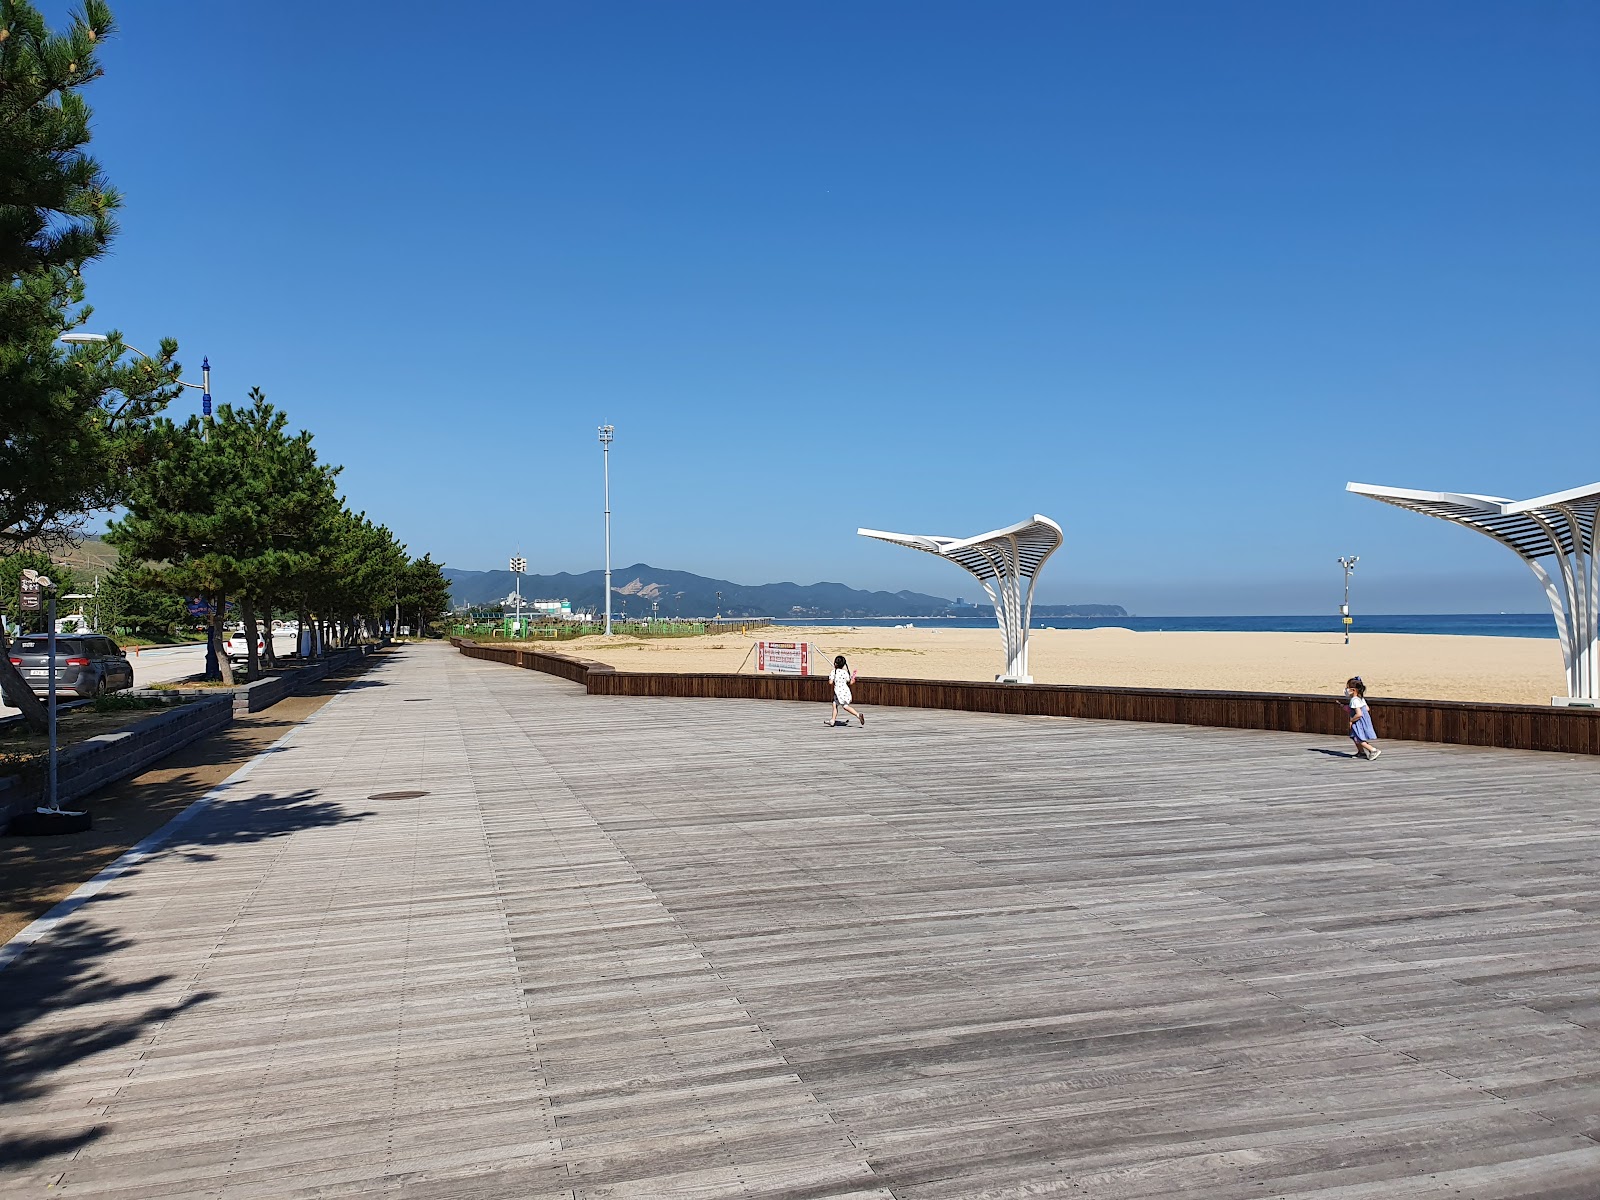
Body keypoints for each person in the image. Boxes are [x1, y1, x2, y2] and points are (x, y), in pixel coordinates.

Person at [1345, 676, 1381, 760]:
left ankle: (1373, 750)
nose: (1346, 690)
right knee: (1354, 736)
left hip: (1358, 722)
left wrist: (1351, 720)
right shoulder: (1360, 698)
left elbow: (1359, 714)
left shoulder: (1354, 700)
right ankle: (1361, 752)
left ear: (1353, 690)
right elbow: (1367, 708)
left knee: (1359, 738)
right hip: (1363, 721)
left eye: (1348, 688)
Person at [827, 654, 865, 727]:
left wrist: (833, 682)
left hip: (838, 692)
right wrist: (853, 680)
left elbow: (830, 682)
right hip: (846, 691)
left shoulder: (833, 672)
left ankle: (833, 720)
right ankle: (857, 715)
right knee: (841, 705)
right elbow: (850, 682)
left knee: (837, 705)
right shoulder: (845, 672)